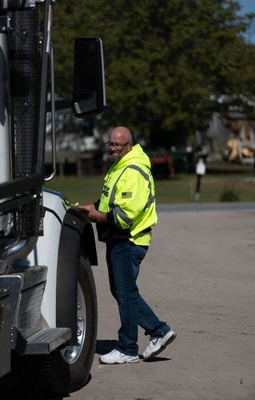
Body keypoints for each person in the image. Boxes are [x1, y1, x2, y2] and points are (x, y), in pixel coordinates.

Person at [79, 126, 176, 364]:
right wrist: (83, 208)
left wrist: (92, 217)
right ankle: (159, 331)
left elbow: (122, 217)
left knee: (124, 292)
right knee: (123, 291)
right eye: (109, 143)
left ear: (129, 145)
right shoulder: (119, 166)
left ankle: (128, 347)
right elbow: (105, 203)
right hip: (121, 240)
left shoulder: (132, 170)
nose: (112, 148)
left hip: (128, 240)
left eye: (117, 145)